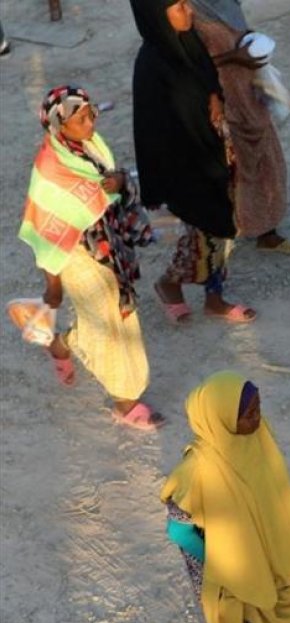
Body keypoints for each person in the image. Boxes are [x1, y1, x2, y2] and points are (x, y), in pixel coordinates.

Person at [161, 371, 290, 623]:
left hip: (267, 555)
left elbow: (269, 496)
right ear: (219, 419)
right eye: (248, 414)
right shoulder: (197, 471)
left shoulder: (258, 439)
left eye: (258, 408)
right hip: (226, 567)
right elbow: (178, 530)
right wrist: (229, 568)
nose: (257, 418)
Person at [18, 85, 162, 430]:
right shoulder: (49, 172)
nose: (90, 123)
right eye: (81, 118)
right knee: (106, 325)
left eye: (90, 114)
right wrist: (52, 286)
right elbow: (45, 231)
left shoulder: (91, 147)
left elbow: (110, 187)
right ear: (59, 126)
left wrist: (119, 181)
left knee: (120, 317)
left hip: (106, 248)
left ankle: (61, 344)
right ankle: (124, 401)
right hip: (76, 257)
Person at [130, 0, 255, 324]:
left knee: (222, 232)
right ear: (157, 14)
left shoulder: (188, 43)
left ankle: (213, 297)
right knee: (202, 238)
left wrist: (214, 98)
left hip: (212, 157)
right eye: (178, 6)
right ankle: (171, 284)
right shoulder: (152, 67)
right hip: (186, 171)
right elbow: (152, 132)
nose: (189, 10)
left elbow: (207, 81)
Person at [191, 0, 290, 254]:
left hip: (247, 93)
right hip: (219, 99)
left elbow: (235, 33)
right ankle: (234, 228)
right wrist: (235, 57)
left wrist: (249, 43)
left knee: (263, 156)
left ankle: (266, 229)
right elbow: (188, 65)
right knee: (236, 165)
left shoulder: (223, 5)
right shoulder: (186, 12)